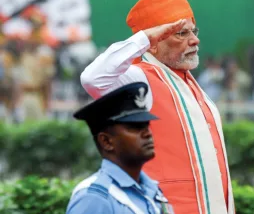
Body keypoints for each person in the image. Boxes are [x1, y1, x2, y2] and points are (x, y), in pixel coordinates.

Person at [80, 0, 234, 214]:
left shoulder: (189, 81)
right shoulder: (140, 79)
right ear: (153, 43)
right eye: (181, 34)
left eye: (193, 31)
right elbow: (93, 78)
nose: (195, 40)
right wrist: (143, 38)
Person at [66, 82, 174, 214]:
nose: (148, 133)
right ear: (106, 141)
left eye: (146, 125)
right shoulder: (94, 199)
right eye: (135, 127)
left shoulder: (151, 190)